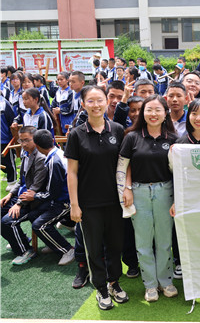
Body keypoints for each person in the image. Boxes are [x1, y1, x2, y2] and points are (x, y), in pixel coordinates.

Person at [65, 85, 128, 310]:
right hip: (89, 203)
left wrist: (127, 190)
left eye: (99, 100)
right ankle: (100, 287)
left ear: (106, 101)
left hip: (115, 201)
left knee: (115, 245)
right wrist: (74, 204)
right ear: (83, 104)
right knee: (93, 249)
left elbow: (125, 165)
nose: (96, 105)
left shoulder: (117, 130)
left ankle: (114, 282)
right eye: (90, 101)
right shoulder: (76, 134)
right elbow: (72, 172)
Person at [118, 95, 178, 303]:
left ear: (165, 113)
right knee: (143, 242)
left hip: (165, 192)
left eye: (158, 110)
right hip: (139, 192)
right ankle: (150, 285)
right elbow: (123, 166)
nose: (153, 114)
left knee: (164, 241)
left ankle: (166, 281)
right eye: (149, 110)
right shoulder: (132, 137)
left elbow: (178, 170)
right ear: (142, 113)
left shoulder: (173, 138)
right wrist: (126, 188)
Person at [1, 126, 48, 265]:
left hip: (34, 201)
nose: (23, 144)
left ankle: (26, 250)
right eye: (21, 140)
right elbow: (21, 180)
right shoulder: (25, 153)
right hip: (22, 196)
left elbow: (35, 187)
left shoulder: (40, 158)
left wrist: (18, 204)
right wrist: (10, 194)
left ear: (36, 139)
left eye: (27, 140)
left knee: (7, 221)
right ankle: (21, 239)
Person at [29, 129, 75, 265]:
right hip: (62, 198)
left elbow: (53, 193)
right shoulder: (58, 152)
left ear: (37, 146)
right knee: (33, 215)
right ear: (53, 140)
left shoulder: (54, 162)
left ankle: (67, 250)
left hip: (65, 202)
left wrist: (35, 195)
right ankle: (53, 243)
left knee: (39, 225)